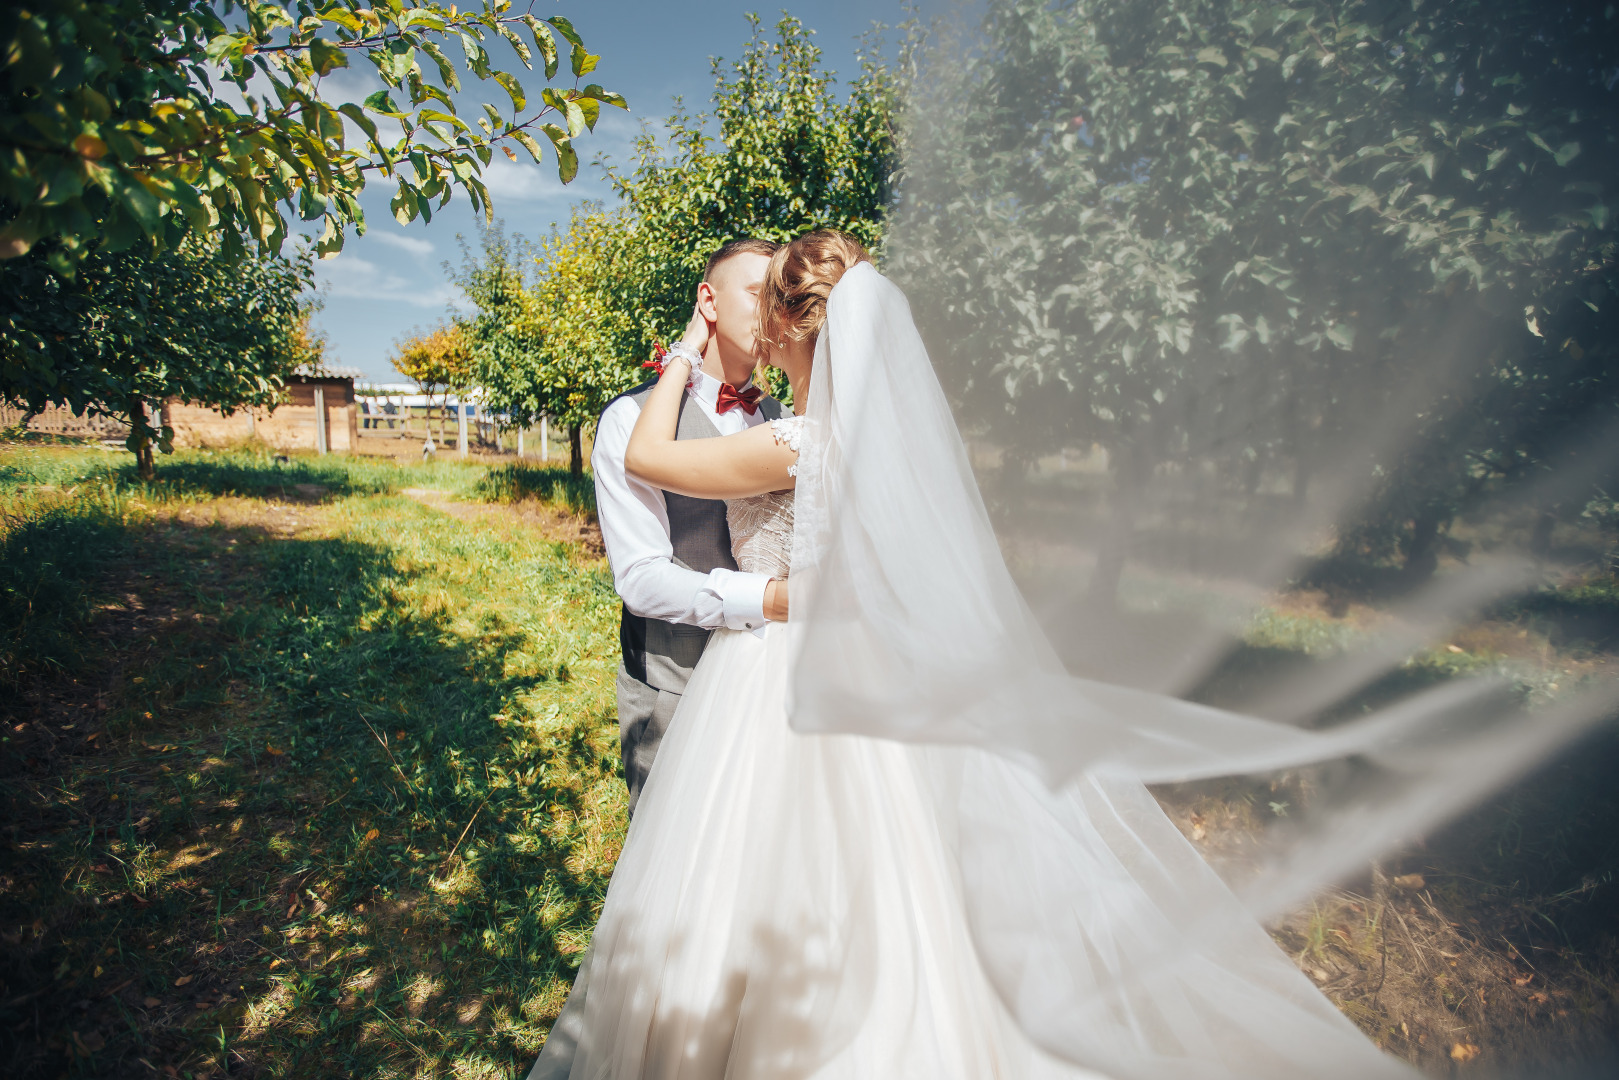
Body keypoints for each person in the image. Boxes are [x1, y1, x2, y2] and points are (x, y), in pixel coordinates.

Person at [529, 232, 1421, 1080]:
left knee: (754, 873)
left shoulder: (796, 439)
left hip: (770, 678)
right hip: (838, 671)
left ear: (797, 325)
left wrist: (679, 351)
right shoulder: (866, 441)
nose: (759, 319)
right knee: (878, 882)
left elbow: (658, 456)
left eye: (773, 301)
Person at [590, 237, 788, 817]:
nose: (773, 309)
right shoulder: (631, 418)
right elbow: (641, 578)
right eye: (757, 292)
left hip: (770, 683)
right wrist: (775, 600)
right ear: (709, 300)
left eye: (782, 295)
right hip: (678, 685)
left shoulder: (787, 422)